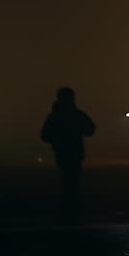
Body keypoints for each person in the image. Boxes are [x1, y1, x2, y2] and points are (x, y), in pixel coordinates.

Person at [40, 86, 96, 223]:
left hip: (62, 152)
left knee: (67, 181)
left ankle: (68, 210)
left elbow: (45, 135)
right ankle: (72, 210)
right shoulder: (75, 114)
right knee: (73, 182)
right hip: (74, 152)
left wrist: (57, 139)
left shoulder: (55, 116)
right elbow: (90, 129)